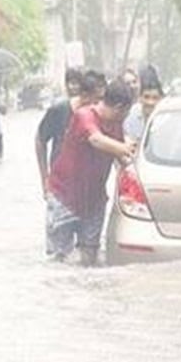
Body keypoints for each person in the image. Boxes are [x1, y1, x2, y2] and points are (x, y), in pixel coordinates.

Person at [44, 81, 136, 265]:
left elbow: (122, 160)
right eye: (126, 112)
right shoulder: (85, 115)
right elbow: (95, 139)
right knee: (59, 259)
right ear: (120, 108)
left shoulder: (115, 125)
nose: (126, 117)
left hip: (94, 200)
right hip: (65, 197)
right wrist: (126, 147)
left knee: (90, 258)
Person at [35, 68, 89, 194]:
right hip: (60, 179)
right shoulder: (58, 110)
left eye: (77, 83)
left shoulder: (93, 110)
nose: (73, 87)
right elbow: (39, 140)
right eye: (70, 83)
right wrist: (44, 178)